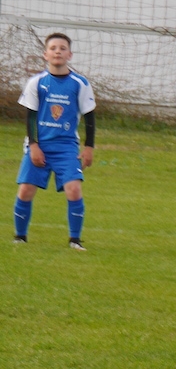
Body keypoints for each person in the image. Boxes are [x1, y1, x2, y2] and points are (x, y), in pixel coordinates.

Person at [13, 32, 96, 250]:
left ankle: (75, 241)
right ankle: (20, 237)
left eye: (62, 48)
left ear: (70, 55)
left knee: (74, 189)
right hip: (40, 145)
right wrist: (33, 145)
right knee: (26, 190)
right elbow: (31, 116)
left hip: (67, 147)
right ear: (45, 54)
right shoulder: (36, 82)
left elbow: (89, 116)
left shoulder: (80, 83)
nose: (57, 52)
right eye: (53, 48)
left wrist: (89, 147)